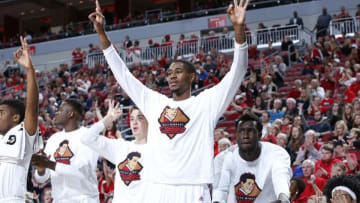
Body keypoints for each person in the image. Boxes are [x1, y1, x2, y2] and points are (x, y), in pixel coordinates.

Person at [89, 0, 250, 202]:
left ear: (192, 77)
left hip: (194, 189)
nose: (172, 76)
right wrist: (102, 34)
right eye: (170, 72)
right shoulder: (154, 102)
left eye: (178, 71)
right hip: (160, 189)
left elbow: (239, 70)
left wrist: (238, 28)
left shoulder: (206, 102)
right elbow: (123, 75)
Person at [213, 113, 292, 202]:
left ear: (260, 134)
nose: (245, 135)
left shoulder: (277, 153)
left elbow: (281, 177)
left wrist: (283, 198)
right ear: (236, 135)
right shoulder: (223, 158)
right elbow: (219, 189)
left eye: (250, 131)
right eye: (241, 131)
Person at [0, 37, 43, 202]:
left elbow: (32, 108)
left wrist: (30, 70)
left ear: (16, 117)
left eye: (1, 113)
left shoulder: (23, 133)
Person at [31, 99, 99, 202]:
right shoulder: (53, 139)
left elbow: (83, 171)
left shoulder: (88, 136)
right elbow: (42, 179)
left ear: (71, 114)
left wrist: (50, 164)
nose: (56, 112)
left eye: (60, 110)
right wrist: (41, 170)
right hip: (59, 199)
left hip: (84, 199)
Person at [81, 101, 149, 203]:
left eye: (139, 118)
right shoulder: (121, 146)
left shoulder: (156, 149)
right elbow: (87, 138)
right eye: (131, 119)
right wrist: (108, 119)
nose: (134, 122)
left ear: (148, 121)